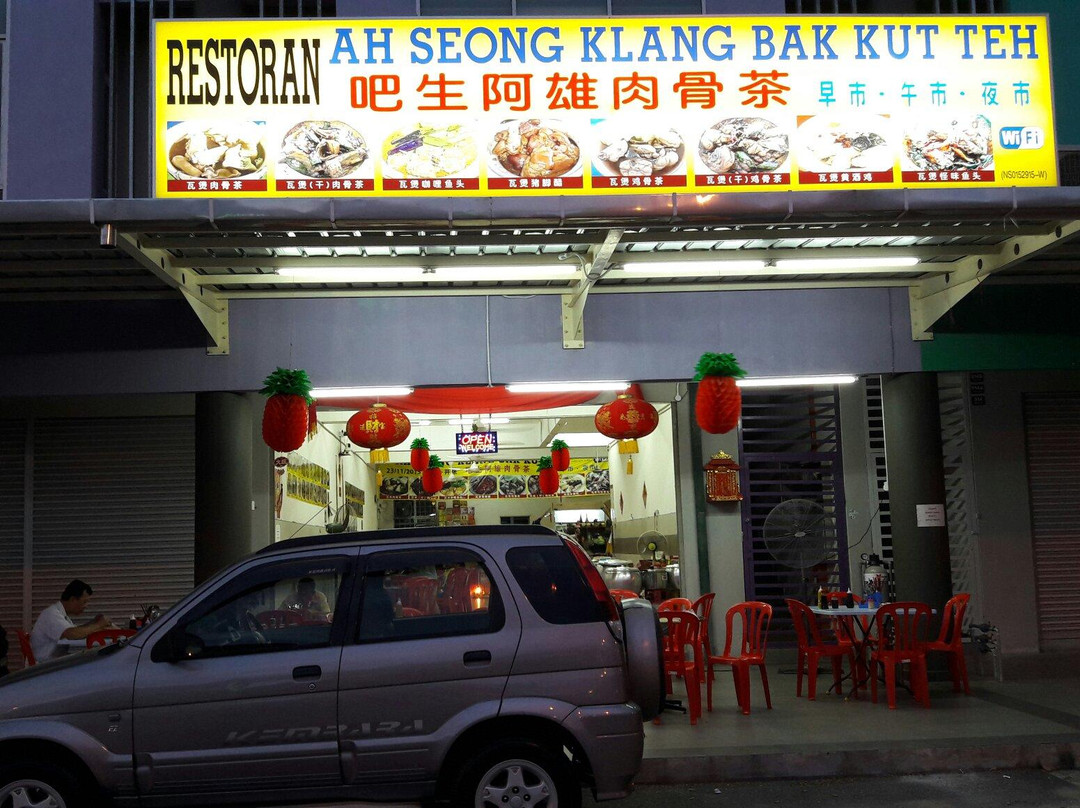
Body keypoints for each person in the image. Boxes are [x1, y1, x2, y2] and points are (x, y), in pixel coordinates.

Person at [30, 580, 110, 661]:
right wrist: (99, 625)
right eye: (84, 602)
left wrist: (94, 622)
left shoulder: (61, 613)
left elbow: (76, 631)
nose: (86, 606)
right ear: (73, 599)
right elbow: (72, 634)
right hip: (46, 665)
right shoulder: (52, 614)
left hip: (54, 661)